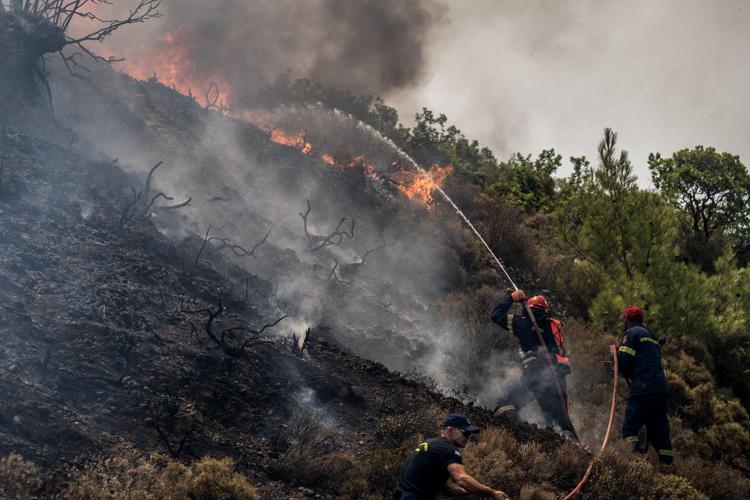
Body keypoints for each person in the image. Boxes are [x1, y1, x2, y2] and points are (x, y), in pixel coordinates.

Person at [490, 290, 576, 436]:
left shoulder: (523, 323)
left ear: (528, 308)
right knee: (557, 420)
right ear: (545, 311)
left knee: (506, 404)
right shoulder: (552, 326)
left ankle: (516, 434)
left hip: (535, 373)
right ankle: (571, 449)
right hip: (555, 378)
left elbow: (496, 315)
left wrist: (511, 298)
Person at [393, 413, 509, 500]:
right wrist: (491, 493)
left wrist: (471, 490)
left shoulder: (432, 444)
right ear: (450, 430)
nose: (469, 437)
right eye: (466, 433)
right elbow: (461, 478)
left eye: (471, 434)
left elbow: (446, 488)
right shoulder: (448, 449)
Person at [616, 306, 674, 465]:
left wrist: (615, 358)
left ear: (627, 320)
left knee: (630, 430)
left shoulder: (632, 333)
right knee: (660, 434)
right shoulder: (651, 336)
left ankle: (635, 464)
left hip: (643, 390)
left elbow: (623, 362)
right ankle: (668, 469)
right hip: (660, 391)